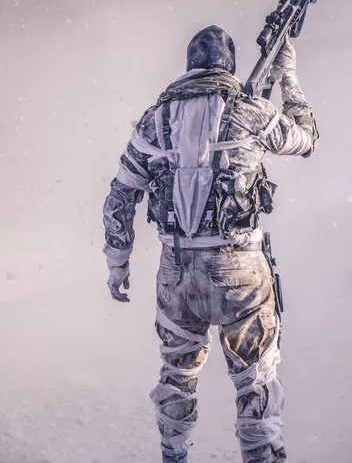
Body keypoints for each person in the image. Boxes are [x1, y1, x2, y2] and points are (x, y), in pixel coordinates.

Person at [102, 26, 319, 463]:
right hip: (240, 270)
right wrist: (288, 76)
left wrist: (118, 263)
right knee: (255, 380)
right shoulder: (253, 112)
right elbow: (307, 137)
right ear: (230, 66)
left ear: (189, 66)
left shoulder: (154, 120)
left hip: (176, 271)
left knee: (177, 376)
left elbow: (120, 195)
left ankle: (174, 456)